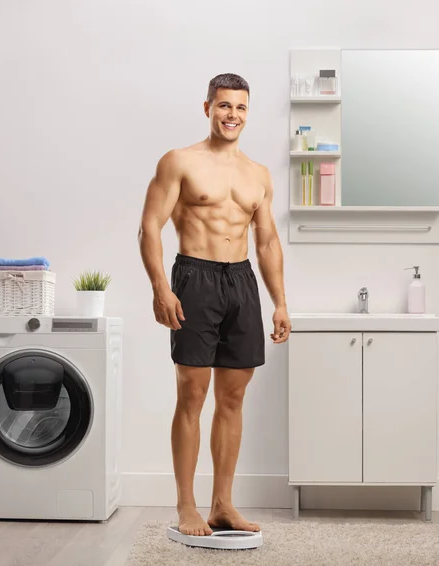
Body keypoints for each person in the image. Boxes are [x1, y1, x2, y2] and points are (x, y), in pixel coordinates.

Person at [138, 73, 291, 537]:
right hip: (196, 278)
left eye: (241, 108)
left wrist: (280, 302)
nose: (233, 116)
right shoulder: (179, 162)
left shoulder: (259, 174)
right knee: (192, 393)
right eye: (224, 106)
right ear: (207, 108)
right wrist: (161, 287)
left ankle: (222, 504)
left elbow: (266, 243)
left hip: (240, 281)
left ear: (248, 112)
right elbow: (149, 227)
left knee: (234, 396)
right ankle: (187, 506)